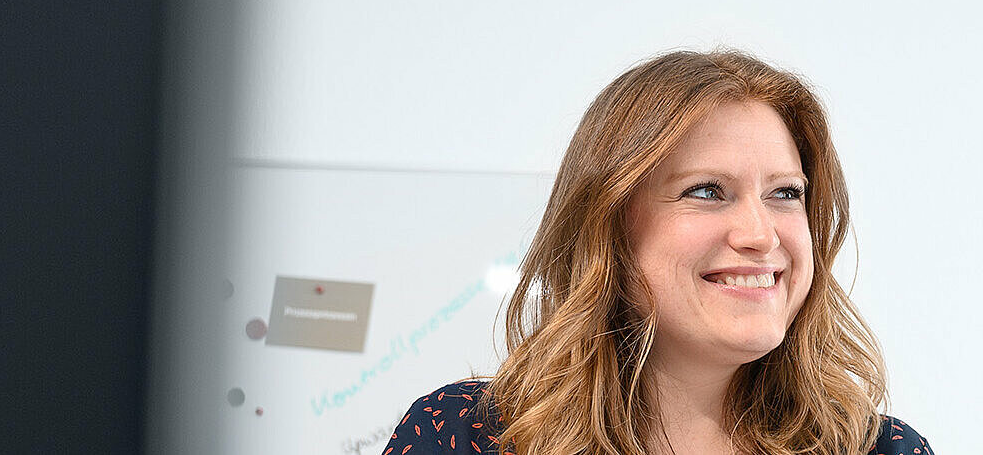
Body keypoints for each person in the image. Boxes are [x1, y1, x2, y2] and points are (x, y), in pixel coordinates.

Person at [384, 50, 933, 455]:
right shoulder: (463, 436)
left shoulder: (883, 450)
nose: (762, 236)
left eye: (785, 194)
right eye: (707, 191)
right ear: (608, 229)